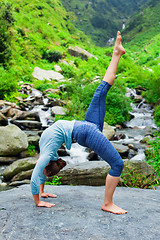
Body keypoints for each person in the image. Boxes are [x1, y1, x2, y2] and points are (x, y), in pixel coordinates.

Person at [31, 31, 127, 214]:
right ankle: (107, 203)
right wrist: (42, 191)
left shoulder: (47, 154)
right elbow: (41, 169)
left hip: (85, 130)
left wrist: (38, 200)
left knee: (102, 90)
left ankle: (116, 53)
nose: (41, 169)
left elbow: (37, 173)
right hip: (82, 128)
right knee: (118, 164)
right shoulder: (45, 150)